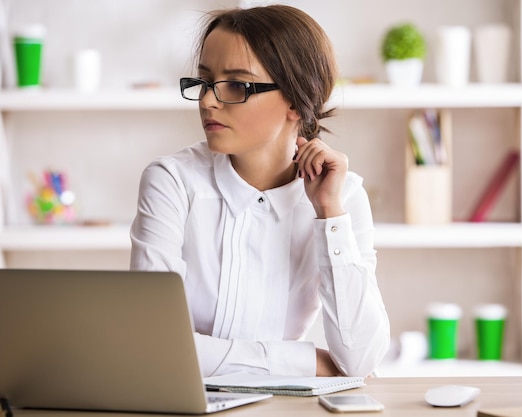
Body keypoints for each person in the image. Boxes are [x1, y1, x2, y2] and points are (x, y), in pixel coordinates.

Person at [130, 4, 390, 378]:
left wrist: (329, 213)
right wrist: (304, 362)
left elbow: (361, 360)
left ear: (296, 100)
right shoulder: (171, 182)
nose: (207, 101)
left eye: (236, 84)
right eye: (204, 81)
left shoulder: (343, 196)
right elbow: (152, 344)